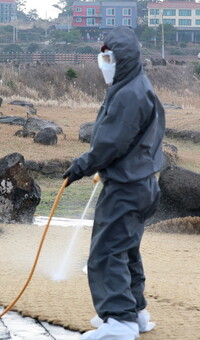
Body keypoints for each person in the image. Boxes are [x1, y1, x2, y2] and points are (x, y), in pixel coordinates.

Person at [63, 26, 165, 340]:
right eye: (102, 57)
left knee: (107, 253)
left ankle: (120, 322)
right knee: (126, 250)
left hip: (126, 188)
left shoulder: (129, 94)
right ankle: (136, 312)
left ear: (123, 58)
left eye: (108, 57)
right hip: (141, 183)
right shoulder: (137, 86)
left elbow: (110, 144)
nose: (103, 62)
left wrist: (81, 166)